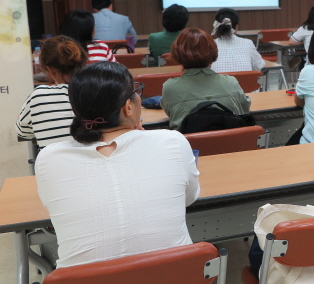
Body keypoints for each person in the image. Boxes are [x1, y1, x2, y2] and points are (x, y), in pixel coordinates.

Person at [35, 61, 199, 268]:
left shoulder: (49, 157)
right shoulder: (172, 142)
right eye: (136, 91)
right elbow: (189, 198)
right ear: (128, 107)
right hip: (174, 275)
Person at [161, 28, 250, 130]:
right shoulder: (231, 82)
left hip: (189, 145)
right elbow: (244, 110)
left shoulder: (170, 87)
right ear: (213, 51)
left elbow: (171, 113)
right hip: (231, 143)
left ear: (177, 53)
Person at [17, 36, 87, 148]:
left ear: (49, 69)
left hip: (51, 164)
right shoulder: (96, 91)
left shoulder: (38, 96)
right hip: (92, 163)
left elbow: (23, 132)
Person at [211, 8, 265, 74]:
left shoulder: (209, 45)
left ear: (216, 26)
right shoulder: (248, 43)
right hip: (244, 84)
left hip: (219, 84)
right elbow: (259, 67)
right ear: (236, 27)